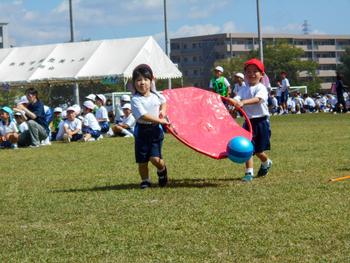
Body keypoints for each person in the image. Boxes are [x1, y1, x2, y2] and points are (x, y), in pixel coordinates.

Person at [228, 58, 272, 182]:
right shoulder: (244, 88)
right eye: (248, 72)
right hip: (248, 122)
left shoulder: (261, 88)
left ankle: (266, 162)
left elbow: (258, 99)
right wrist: (233, 104)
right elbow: (237, 98)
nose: (251, 74)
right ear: (245, 74)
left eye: (255, 71)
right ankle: (249, 173)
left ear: (261, 75)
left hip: (261, 122)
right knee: (248, 148)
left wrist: (243, 102)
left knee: (259, 150)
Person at [130, 64, 169, 189]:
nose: (142, 83)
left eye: (145, 79)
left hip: (155, 131)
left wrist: (162, 112)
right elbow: (143, 116)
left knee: (155, 159)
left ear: (151, 81)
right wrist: (160, 120)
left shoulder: (156, 95)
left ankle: (162, 170)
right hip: (141, 131)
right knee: (142, 161)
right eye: (138, 80)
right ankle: (145, 180)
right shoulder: (135, 99)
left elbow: (164, 102)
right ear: (134, 83)